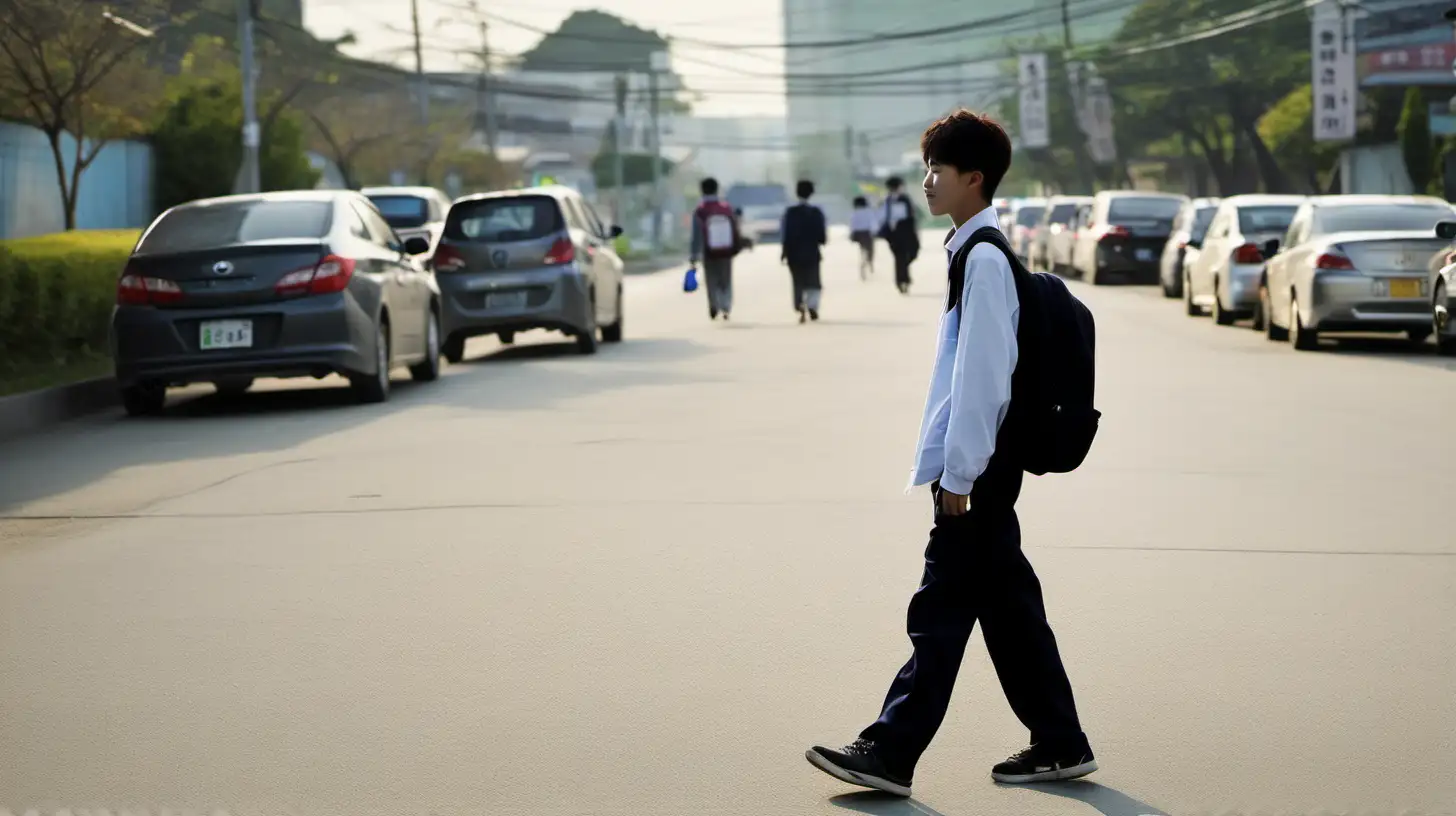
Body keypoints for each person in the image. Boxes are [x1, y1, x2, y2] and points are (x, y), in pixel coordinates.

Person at [806, 109, 1096, 797]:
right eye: (926, 165)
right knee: (1009, 612)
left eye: (940, 169)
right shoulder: (974, 252)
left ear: (976, 178)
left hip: (979, 471)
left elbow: (983, 378)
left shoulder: (985, 259)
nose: (928, 179)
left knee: (938, 615)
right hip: (981, 468)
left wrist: (958, 473)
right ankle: (1060, 741)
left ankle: (890, 751)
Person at [688, 177, 742, 320]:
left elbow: (696, 235)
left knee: (711, 279)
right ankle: (726, 305)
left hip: (708, 251)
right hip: (726, 250)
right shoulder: (726, 208)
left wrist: (694, 255)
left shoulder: (700, 211)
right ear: (716, 189)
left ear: (702, 191)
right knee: (726, 278)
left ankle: (714, 304)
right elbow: (735, 228)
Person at [781, 179, 828, 323]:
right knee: (813, 281)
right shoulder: (816, 212)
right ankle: (812, 305)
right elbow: (822, 236)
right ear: (811, 193)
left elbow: (786, 234)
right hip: (812, 252)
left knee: (798, 281)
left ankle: (799, 304)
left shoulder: (790, 213)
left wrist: (784, 252)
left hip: (794, 253)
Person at [879, 176, 920, 294]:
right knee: (899, 257)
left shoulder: (904, 198)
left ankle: (903, 276)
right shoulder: (887, 200)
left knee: (912, 253)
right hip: (894, 234)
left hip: (906, 231)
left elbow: (911, 215)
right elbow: (883, 217)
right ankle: (902, 281)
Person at [849, 196, 878, 280]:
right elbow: (872, 223)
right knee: (871, 249)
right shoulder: (868, 212)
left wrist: (851, 234)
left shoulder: (854, 213)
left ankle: (864, 260)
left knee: (862, 248)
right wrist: (875, 232)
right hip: (867, 233)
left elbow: (852, 224)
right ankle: (869, 262)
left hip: (857, 234)